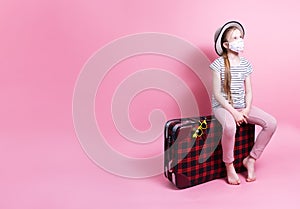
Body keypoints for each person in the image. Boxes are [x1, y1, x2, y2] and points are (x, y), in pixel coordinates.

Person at [210, 21, 277, 185]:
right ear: (226, 44)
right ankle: (229, 165)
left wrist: (246, 109)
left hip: (242, 106)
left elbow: (249, 91)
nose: (240, 40)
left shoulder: (246, 64)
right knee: (230, 126)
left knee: (271, 123)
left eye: (240, 37)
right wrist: (234, 113)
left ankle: (251, 159)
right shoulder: (218, 64)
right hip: (223, 107)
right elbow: (217, 94)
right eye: (235, 37)